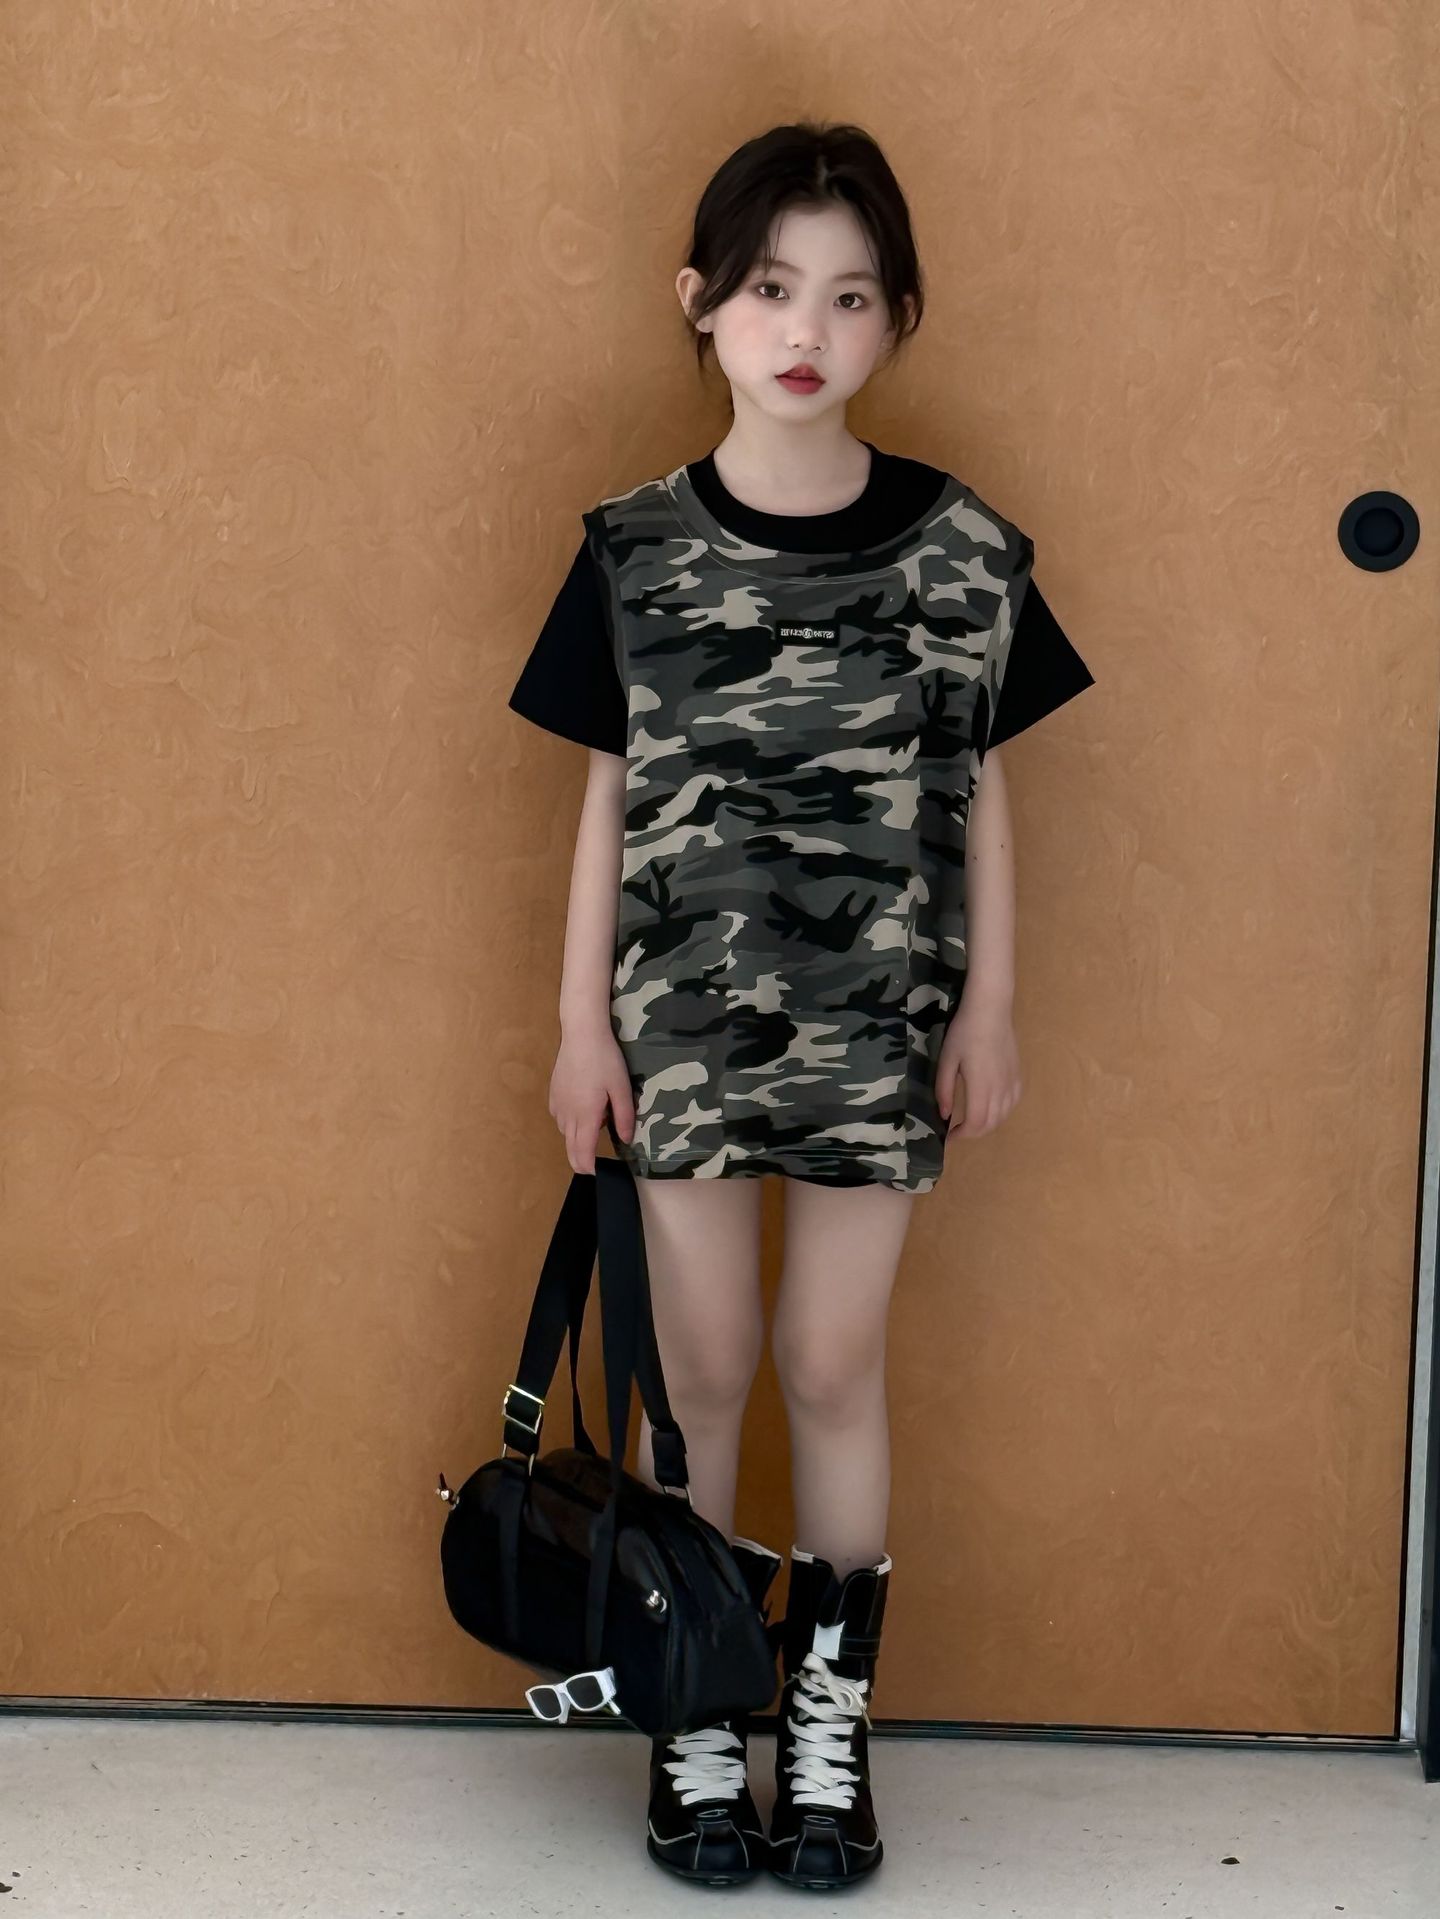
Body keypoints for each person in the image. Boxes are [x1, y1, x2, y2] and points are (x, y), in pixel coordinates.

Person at [507, 120, 1095, 1893]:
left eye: (849, 296)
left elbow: (986, 792)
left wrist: (993, 1007)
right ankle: (699, 1714)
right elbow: (607, 796)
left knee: (833, 1366)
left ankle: (825, 1734)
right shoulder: (632, 549)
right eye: (771, 288)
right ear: (699, 300)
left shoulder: (964, 553)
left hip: (879, 1027)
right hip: (679, 1022)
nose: (805, 330)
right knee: (696, 1378)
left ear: (898, 317)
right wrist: (579, 1027)